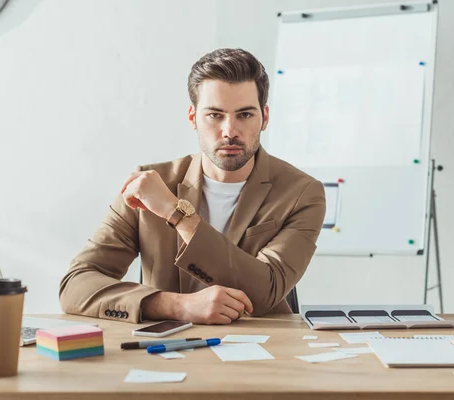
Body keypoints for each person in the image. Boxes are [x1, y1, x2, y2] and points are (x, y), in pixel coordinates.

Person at [59, 48, 326, 325]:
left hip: (264, 351)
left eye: (245, 115)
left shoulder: (302, 193)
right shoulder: (149, 183)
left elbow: (265, 292)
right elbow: (75, 285)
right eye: (215, 115)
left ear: (265, 117)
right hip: (168, 350)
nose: (230, 131)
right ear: (192, 117)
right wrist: (176, 305)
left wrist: (177, 213)